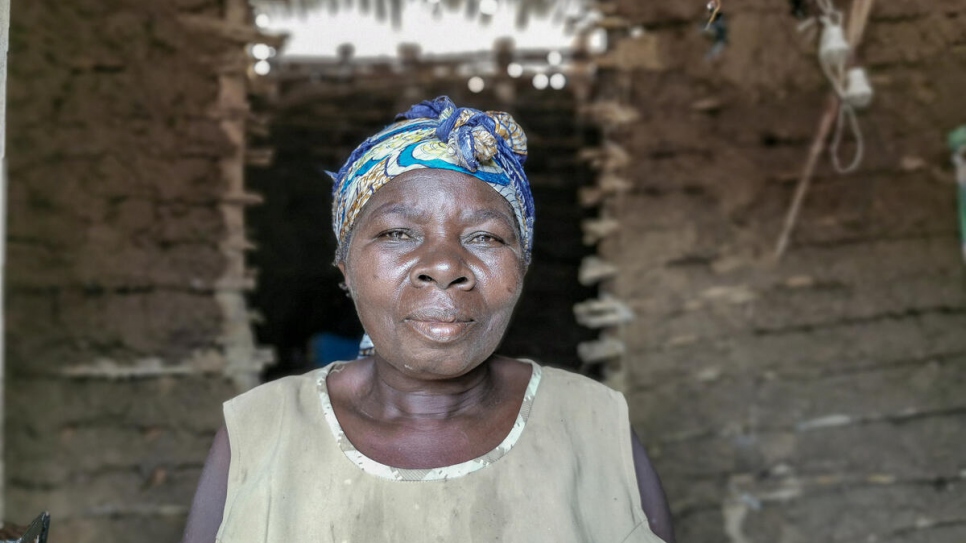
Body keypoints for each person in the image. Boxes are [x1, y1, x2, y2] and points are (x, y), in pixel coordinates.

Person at [181, 96, 674, 543]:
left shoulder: (594, 424)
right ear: (345, 270)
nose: (444, 265)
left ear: (521, 269)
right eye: (397, 233)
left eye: (486, 238)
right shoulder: (259, 432)